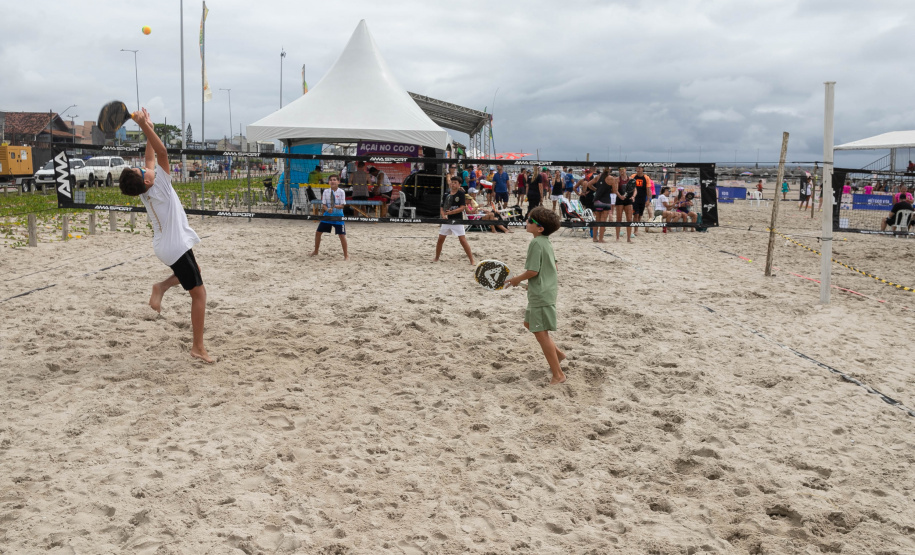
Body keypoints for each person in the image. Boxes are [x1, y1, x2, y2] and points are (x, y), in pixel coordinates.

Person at [117, 107, 213, 363]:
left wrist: (148, 124)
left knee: (196, 271)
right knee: (200, 295)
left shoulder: (148, 185)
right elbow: (161, 152)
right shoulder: (158, 183)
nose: (144, 168)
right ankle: (198, 347)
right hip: (174, 246)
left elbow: (150, 158)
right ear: (146, 181)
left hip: (166, 244)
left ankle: (160, 286)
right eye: (141, 171)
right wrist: (143, 125)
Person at [505, 206, 566, 385]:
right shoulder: (546, 241)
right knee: (529, 323)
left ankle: (558, 375)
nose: (527, 222)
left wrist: (516, 279)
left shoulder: (536, 243)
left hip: (541, 293)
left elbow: (532, 271)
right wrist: (536, 285)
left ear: (540, 228)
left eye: (530, 220)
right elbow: (553, 267)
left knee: (541, 333)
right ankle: (559, 355)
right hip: (546, 290)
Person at [434, 176, 476, 265]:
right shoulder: (446, 194)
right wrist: (443, 215)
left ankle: (472, 260)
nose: (453, 184)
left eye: (455, 183)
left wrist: (451, 212)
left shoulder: (460, 194)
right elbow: (442, 207)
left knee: (462, 240)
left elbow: (462, 208)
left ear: (459, 184)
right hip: (447, 221)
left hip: (457, 220)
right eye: (452, 182)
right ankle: (436, 257)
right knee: (440, 240)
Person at [311, 175, 349, 260]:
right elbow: (324, 205)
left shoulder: (341, 192)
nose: (332, 181)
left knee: (342, 235)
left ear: (338, 182)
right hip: (328, 216)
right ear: (329, 182)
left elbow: (342, 206)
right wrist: (327, 209)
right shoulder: (326, 191)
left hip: (338, 216)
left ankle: (346, 255)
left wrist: (335, 206)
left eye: (334, 180)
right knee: (318, 233)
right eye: (331, 180)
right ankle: (316, 251)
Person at [591, 168, 617, 243]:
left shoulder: (598, 177)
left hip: (597, 200)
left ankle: (594, 238)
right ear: (610, 170)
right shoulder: (611, 178)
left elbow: (589, 184)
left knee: (597, 220)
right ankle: (601, 239)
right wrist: (609, 190)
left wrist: (596, 190)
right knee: (603, 221)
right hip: (605, 201)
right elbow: (615, 191)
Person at [614, 167, 634, 242]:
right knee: (619, 218)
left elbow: (635, 190)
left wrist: (633, 196)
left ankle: (628, 238)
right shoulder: (617, 179)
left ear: (625, 170)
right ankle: (617, 237)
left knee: (629, 219)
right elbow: (615, 189)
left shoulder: (630, 179)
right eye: (620, 169)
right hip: (620, 200)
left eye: (622, 169)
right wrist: (620, 196)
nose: (621, 171)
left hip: (628, 199)